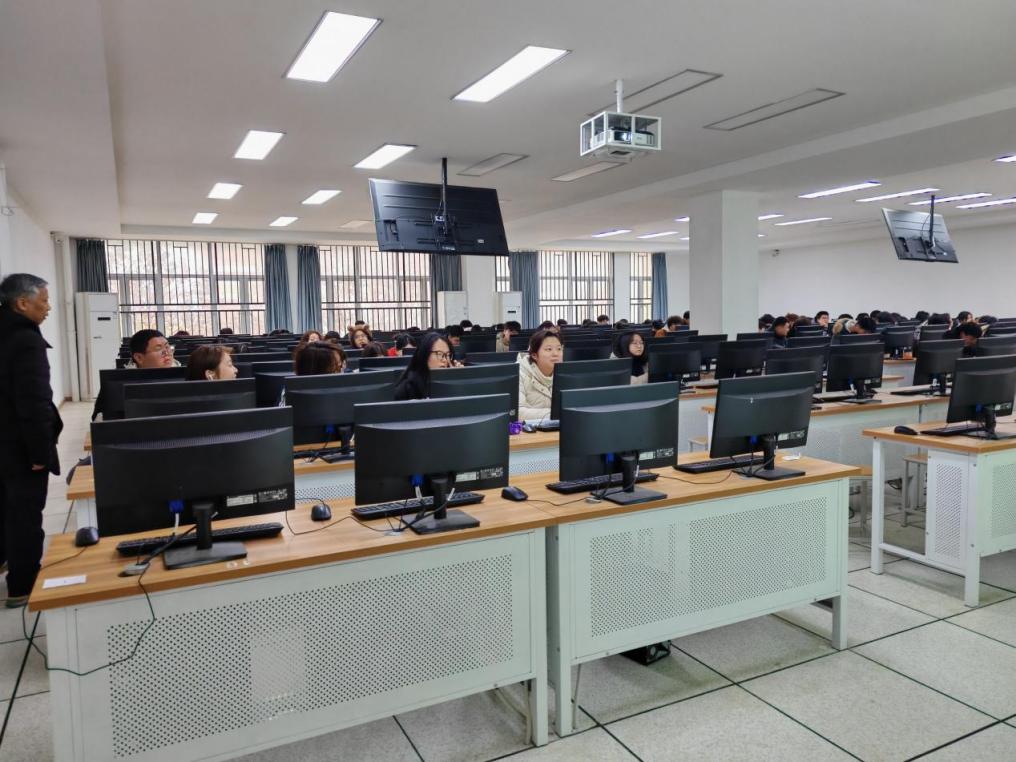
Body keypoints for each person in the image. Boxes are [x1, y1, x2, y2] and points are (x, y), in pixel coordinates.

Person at [0, 273, 63, 608]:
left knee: (6, 506)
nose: (48, 307)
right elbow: (35, 402)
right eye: (44, 300)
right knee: (25, 514)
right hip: (20, 445)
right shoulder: (26, 340)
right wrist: (40, 452)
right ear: (23, 303)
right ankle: (22, 585)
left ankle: (5, 560)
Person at [517, 329, 564, 421]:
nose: (556, 354)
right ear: (534, 355)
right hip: (527, 430)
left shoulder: (565, 374)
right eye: (549, 349)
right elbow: (518, 412)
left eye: (559, 349)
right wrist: (557, 414)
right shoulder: (519, 373)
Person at [393, 332, 454, 400]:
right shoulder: (407, 389)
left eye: (448, 355)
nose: (445, 360)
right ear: (425, 355)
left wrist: (458, 376)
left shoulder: (449, 382)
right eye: (439, 354)